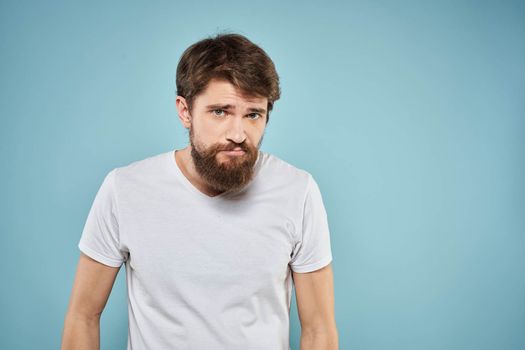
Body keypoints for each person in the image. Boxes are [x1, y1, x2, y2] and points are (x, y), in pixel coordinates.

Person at [61, 33, 338, 350]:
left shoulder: (297, 191)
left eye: (253, 114)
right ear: (185, 111)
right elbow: (82, 316)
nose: (238, 134)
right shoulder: (124, 189)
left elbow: (319, 330)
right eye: (220, 111)